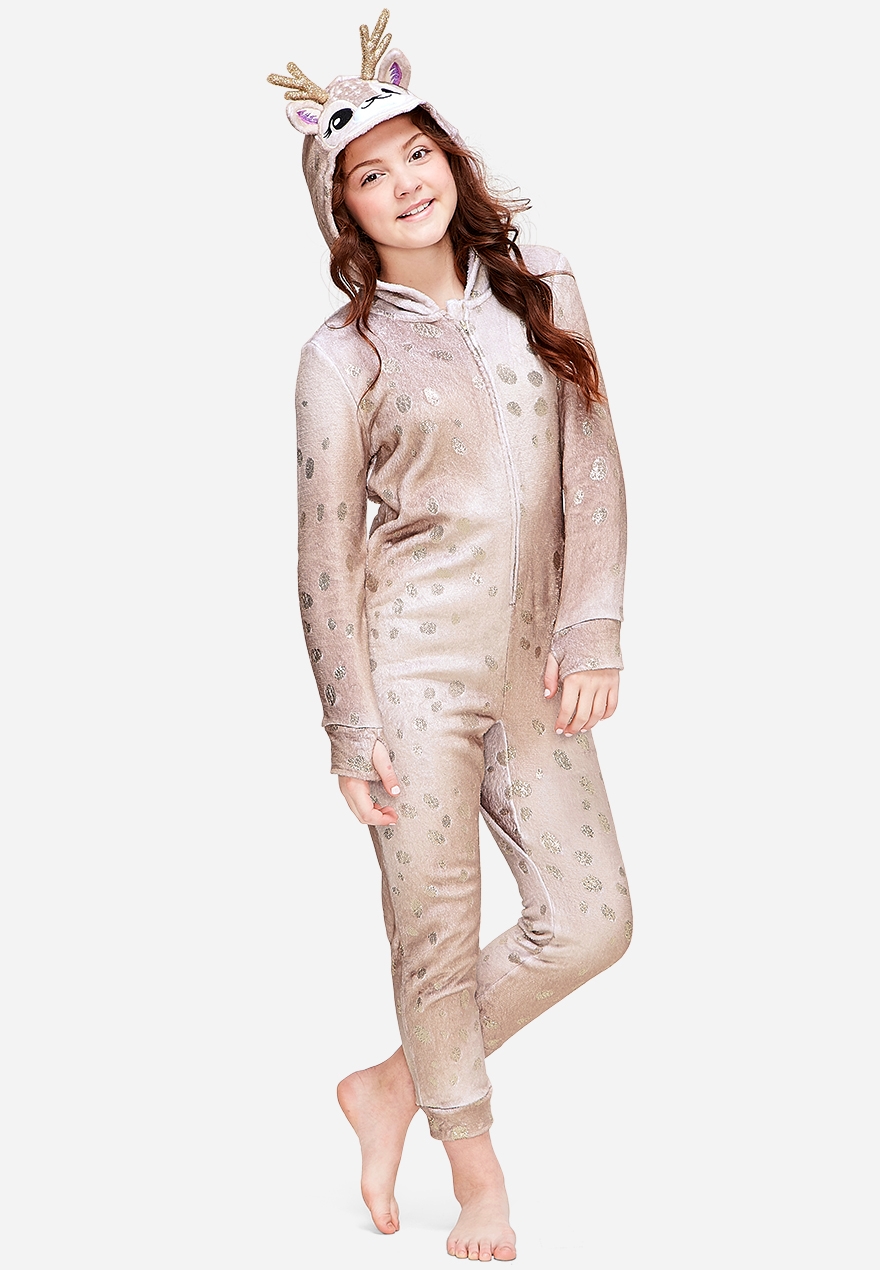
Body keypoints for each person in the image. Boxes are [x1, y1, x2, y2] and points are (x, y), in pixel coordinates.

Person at [269, 11, 633, 1261]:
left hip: (535, 665)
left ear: (451, 158)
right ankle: (477, 1177)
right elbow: (324, 550)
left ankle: (387, 1083)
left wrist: (594, 626)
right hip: (408, 672)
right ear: (343, 210)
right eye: (368, 175)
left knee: (591, 921)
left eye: (415, 155)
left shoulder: (543, 284)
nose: (403, 184)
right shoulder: (341, 354)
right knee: (430, 927)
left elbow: (594, 465)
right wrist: (349, 722)